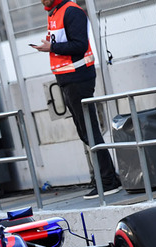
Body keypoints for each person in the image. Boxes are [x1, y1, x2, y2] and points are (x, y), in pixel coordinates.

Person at [32, 0, 122, 199]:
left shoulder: (71, 11)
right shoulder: (54, 12)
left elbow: (79, 45)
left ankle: (108, 181)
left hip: (78, 78)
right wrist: (50, 47)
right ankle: (105, 178)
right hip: (67, 79)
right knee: (84, 131)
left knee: (89, 130)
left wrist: (52, 47)